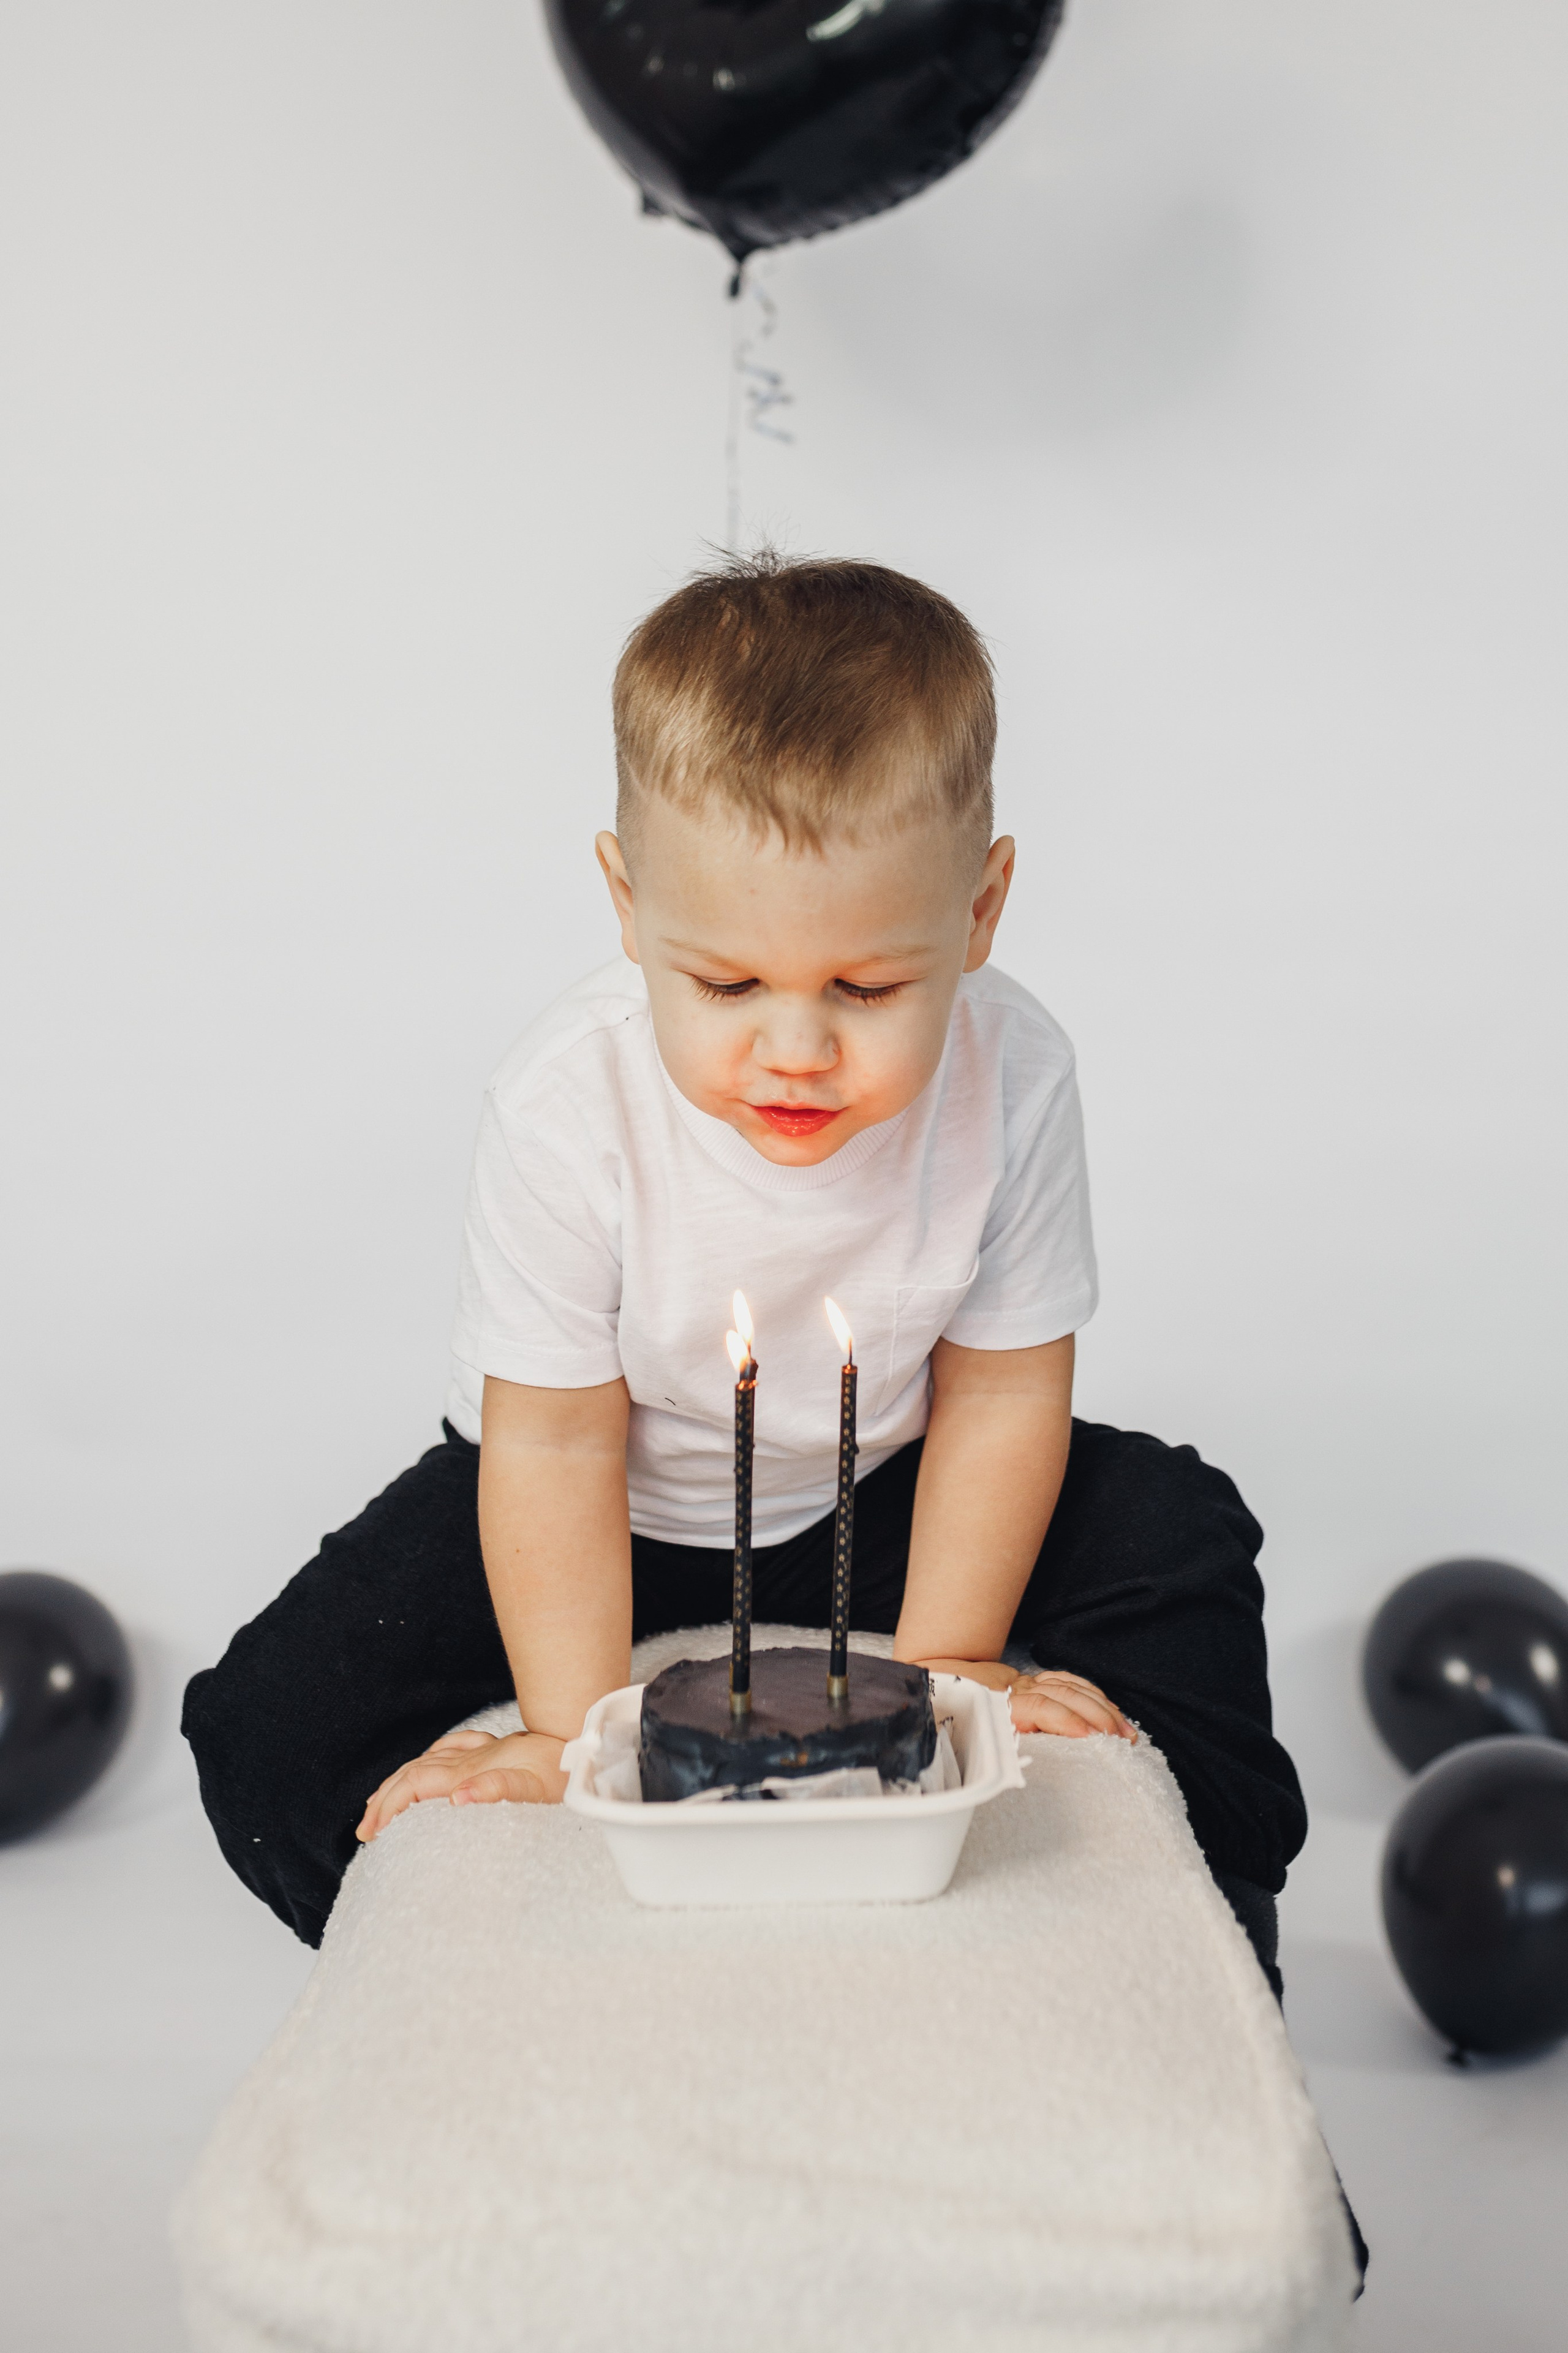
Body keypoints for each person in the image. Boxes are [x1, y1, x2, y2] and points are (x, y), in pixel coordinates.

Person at [183, 553, 1307, 1980]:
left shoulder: (1012, 1072)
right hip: (605, 1509)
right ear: (625, 898)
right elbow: (546, 1440)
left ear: (978, 910)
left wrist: (945, 1659)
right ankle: (512, 1970)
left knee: (1176, 1526)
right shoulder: (561, 1105)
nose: (793, 1047)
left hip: (882, 1485)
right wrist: (573, 1728)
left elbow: (1005, 1396)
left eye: (864, 987)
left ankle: (1175, 1946)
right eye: (724, 985)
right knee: (268, 1721)